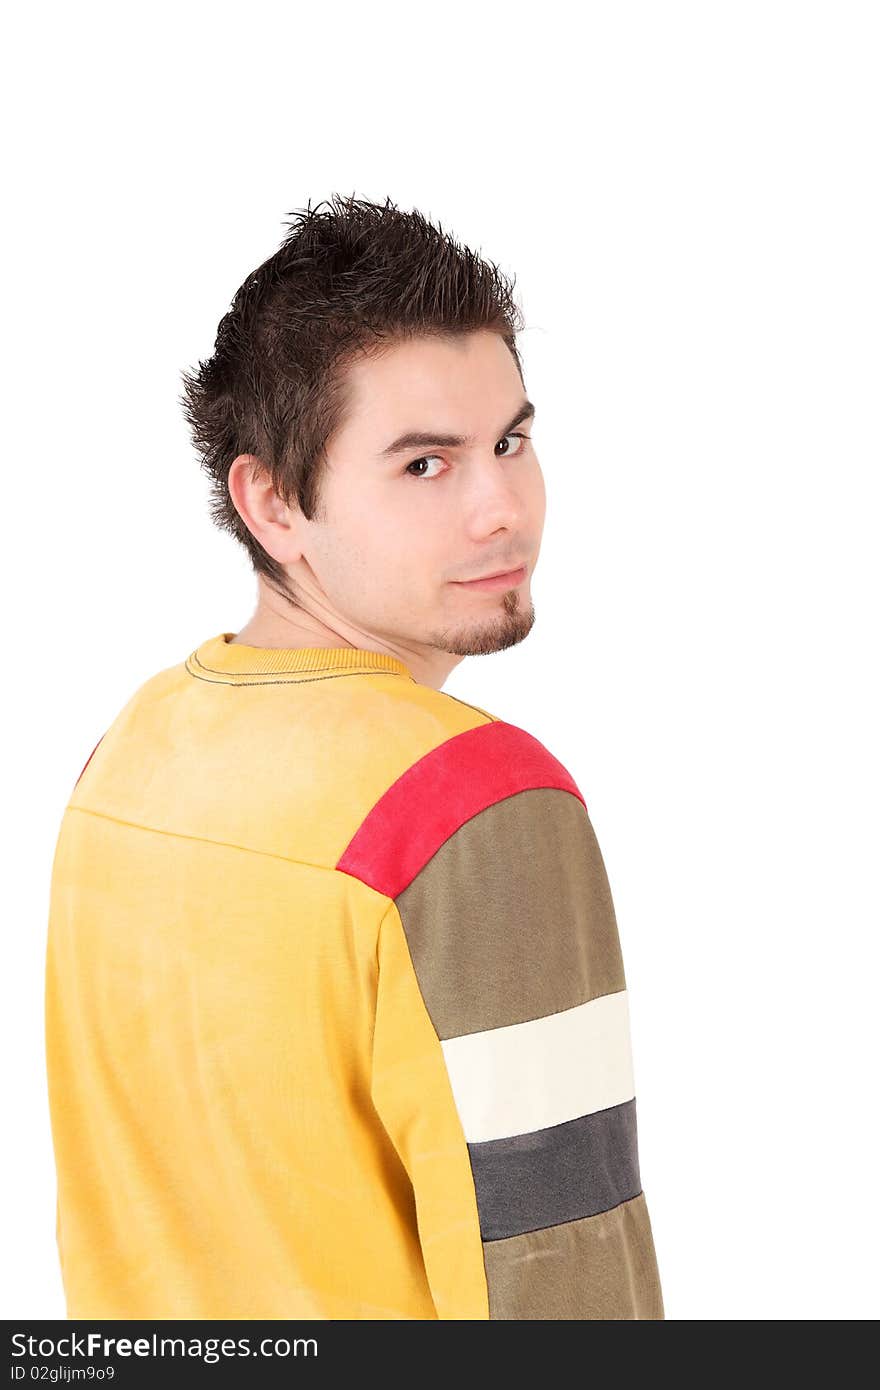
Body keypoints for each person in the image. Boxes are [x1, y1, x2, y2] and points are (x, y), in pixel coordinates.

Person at [45, 193, 665, 1320]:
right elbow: (560, 1283)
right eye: (424, 466)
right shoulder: (477, 807)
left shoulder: (125, 756)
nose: (502, 509)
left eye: (510, 442)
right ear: (273, 503)